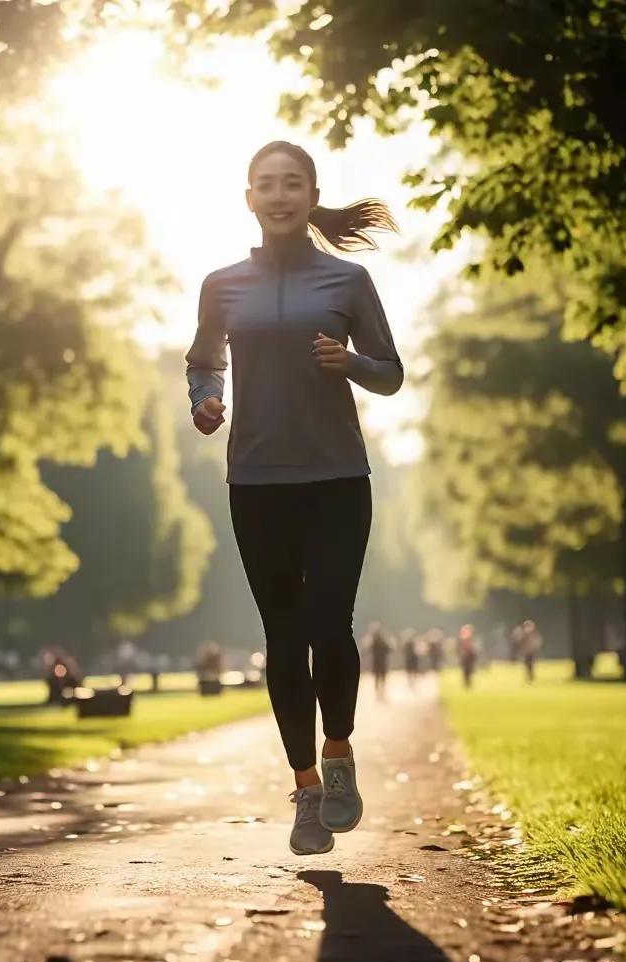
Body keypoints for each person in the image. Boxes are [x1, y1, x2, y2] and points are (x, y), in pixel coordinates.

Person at [185, 140, 402, 856]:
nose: (279, 196)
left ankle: (337, 752)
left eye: (293, 184)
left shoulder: (348, 280)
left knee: (329, 626)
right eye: (266, 185)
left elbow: (392, 373)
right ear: (249, 197)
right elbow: (203, 359)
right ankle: (307, 791)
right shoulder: (223, 284)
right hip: (256, 480)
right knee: (283, 637)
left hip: (338, 477)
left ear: (311, 196)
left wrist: (352, 362)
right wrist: (209, 397)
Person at [362, 623, 393, 702]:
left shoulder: (375, 641)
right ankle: (380, 693)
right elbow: (389, 649)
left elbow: (367, 649)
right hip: (380, 662)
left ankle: (379, 693)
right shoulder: (381, 641)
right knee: (380, 678)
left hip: (378, 662)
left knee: (378, 678)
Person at [457, 624, 478, 689]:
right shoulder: (464, 638)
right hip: (465, 656)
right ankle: (467, 683)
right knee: (466, 670)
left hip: (469, 656)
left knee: (469, 670)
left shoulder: (469, 639)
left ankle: (468, 683)